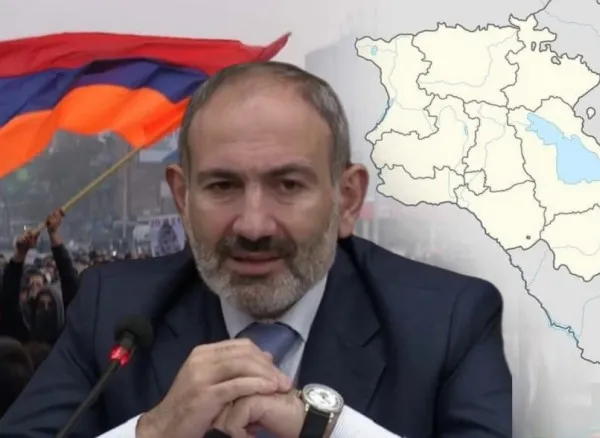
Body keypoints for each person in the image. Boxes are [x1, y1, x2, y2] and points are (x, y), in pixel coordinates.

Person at [0, 61, 512, 437]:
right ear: (183, 197)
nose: (252, 225)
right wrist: (153, 431)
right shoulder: (112, 310)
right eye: (222, 186)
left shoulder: (447, 320)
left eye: (288, 185)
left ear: (347, 198)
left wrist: (325, 428)